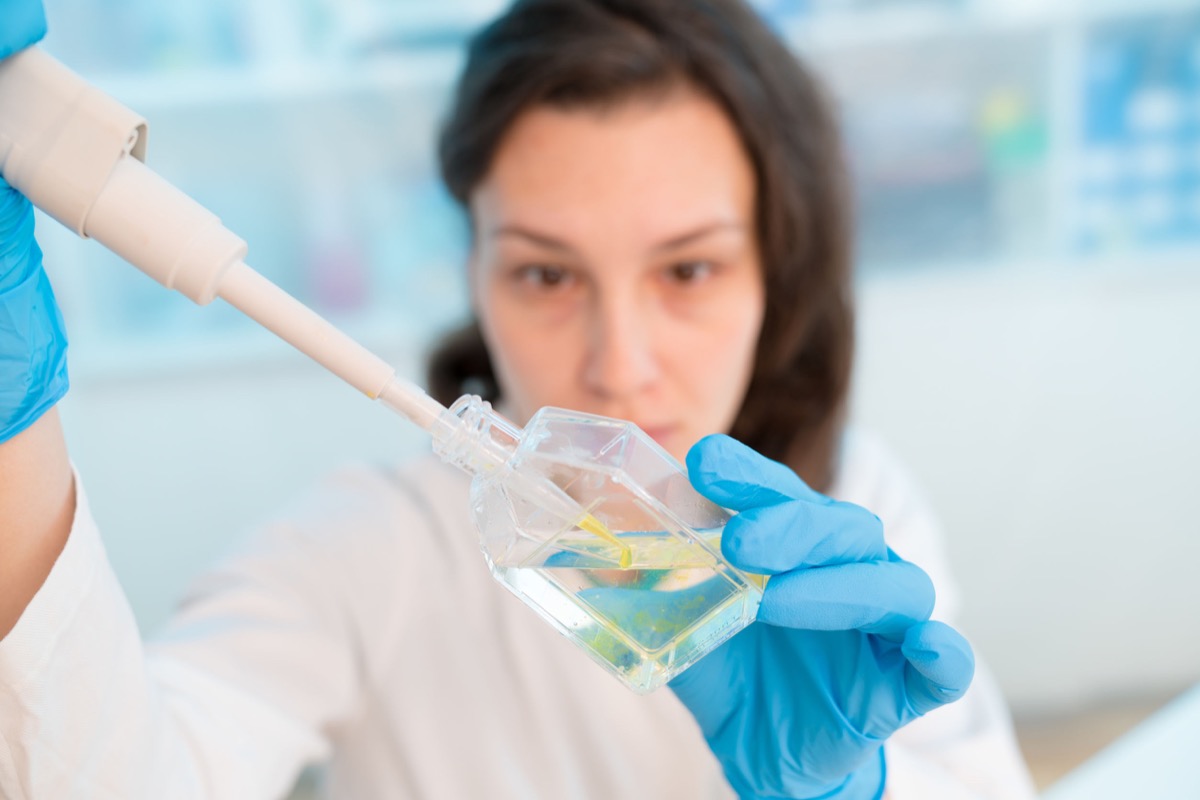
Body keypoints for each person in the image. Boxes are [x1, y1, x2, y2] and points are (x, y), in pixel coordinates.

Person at [0, 0, 1038, 797]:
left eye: (689, 272)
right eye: (547, 274)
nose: (621, 366)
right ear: (477, 270)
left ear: (777, 272)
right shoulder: (369, 550)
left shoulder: (857, 517)